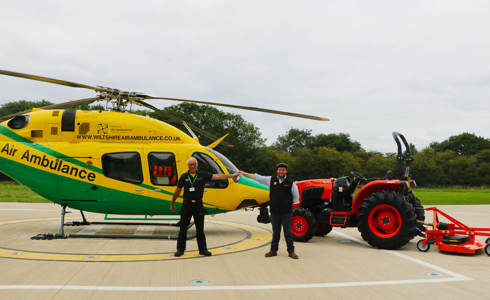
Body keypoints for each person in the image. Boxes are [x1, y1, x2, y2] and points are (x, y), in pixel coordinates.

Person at [171, 157, 239, 257]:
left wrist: (231, 175)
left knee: (200, 229)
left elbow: (217, 176)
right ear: (188, 166)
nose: (192, 166)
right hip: (187, 205)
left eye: (194, 164)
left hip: (198, 205)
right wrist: (172, 201)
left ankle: (203, 250)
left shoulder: (202, 175)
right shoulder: (184, 176)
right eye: (190, 164)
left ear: (197, 165)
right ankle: (180, 249)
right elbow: (178, 190)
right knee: (183, 228)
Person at [239, 163, 300, 259]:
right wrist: (243, 173)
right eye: (280, 170)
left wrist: (286, 204)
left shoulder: (291, 183)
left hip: (286, 212)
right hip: (275, 212)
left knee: (288, 233)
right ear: (277, 171)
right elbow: (257, 177)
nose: (281, 171)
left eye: (283, 170)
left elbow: (296, 198)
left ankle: (291, 252)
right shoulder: (271, 180)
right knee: (276, 232)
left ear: (286, 171)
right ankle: (273, 251)